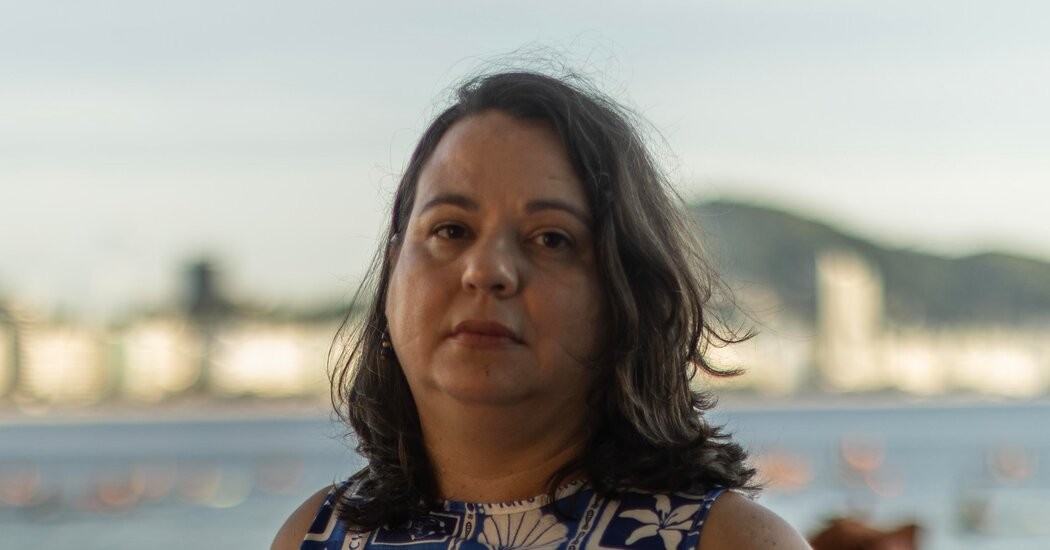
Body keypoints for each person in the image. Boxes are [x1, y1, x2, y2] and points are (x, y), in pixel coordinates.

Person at [273, 70, 810, 549]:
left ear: (626, 297)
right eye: (451, 230)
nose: (486, 270)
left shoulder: (730, 542)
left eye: (551, 238)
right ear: (393, 272)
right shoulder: (316, 536)